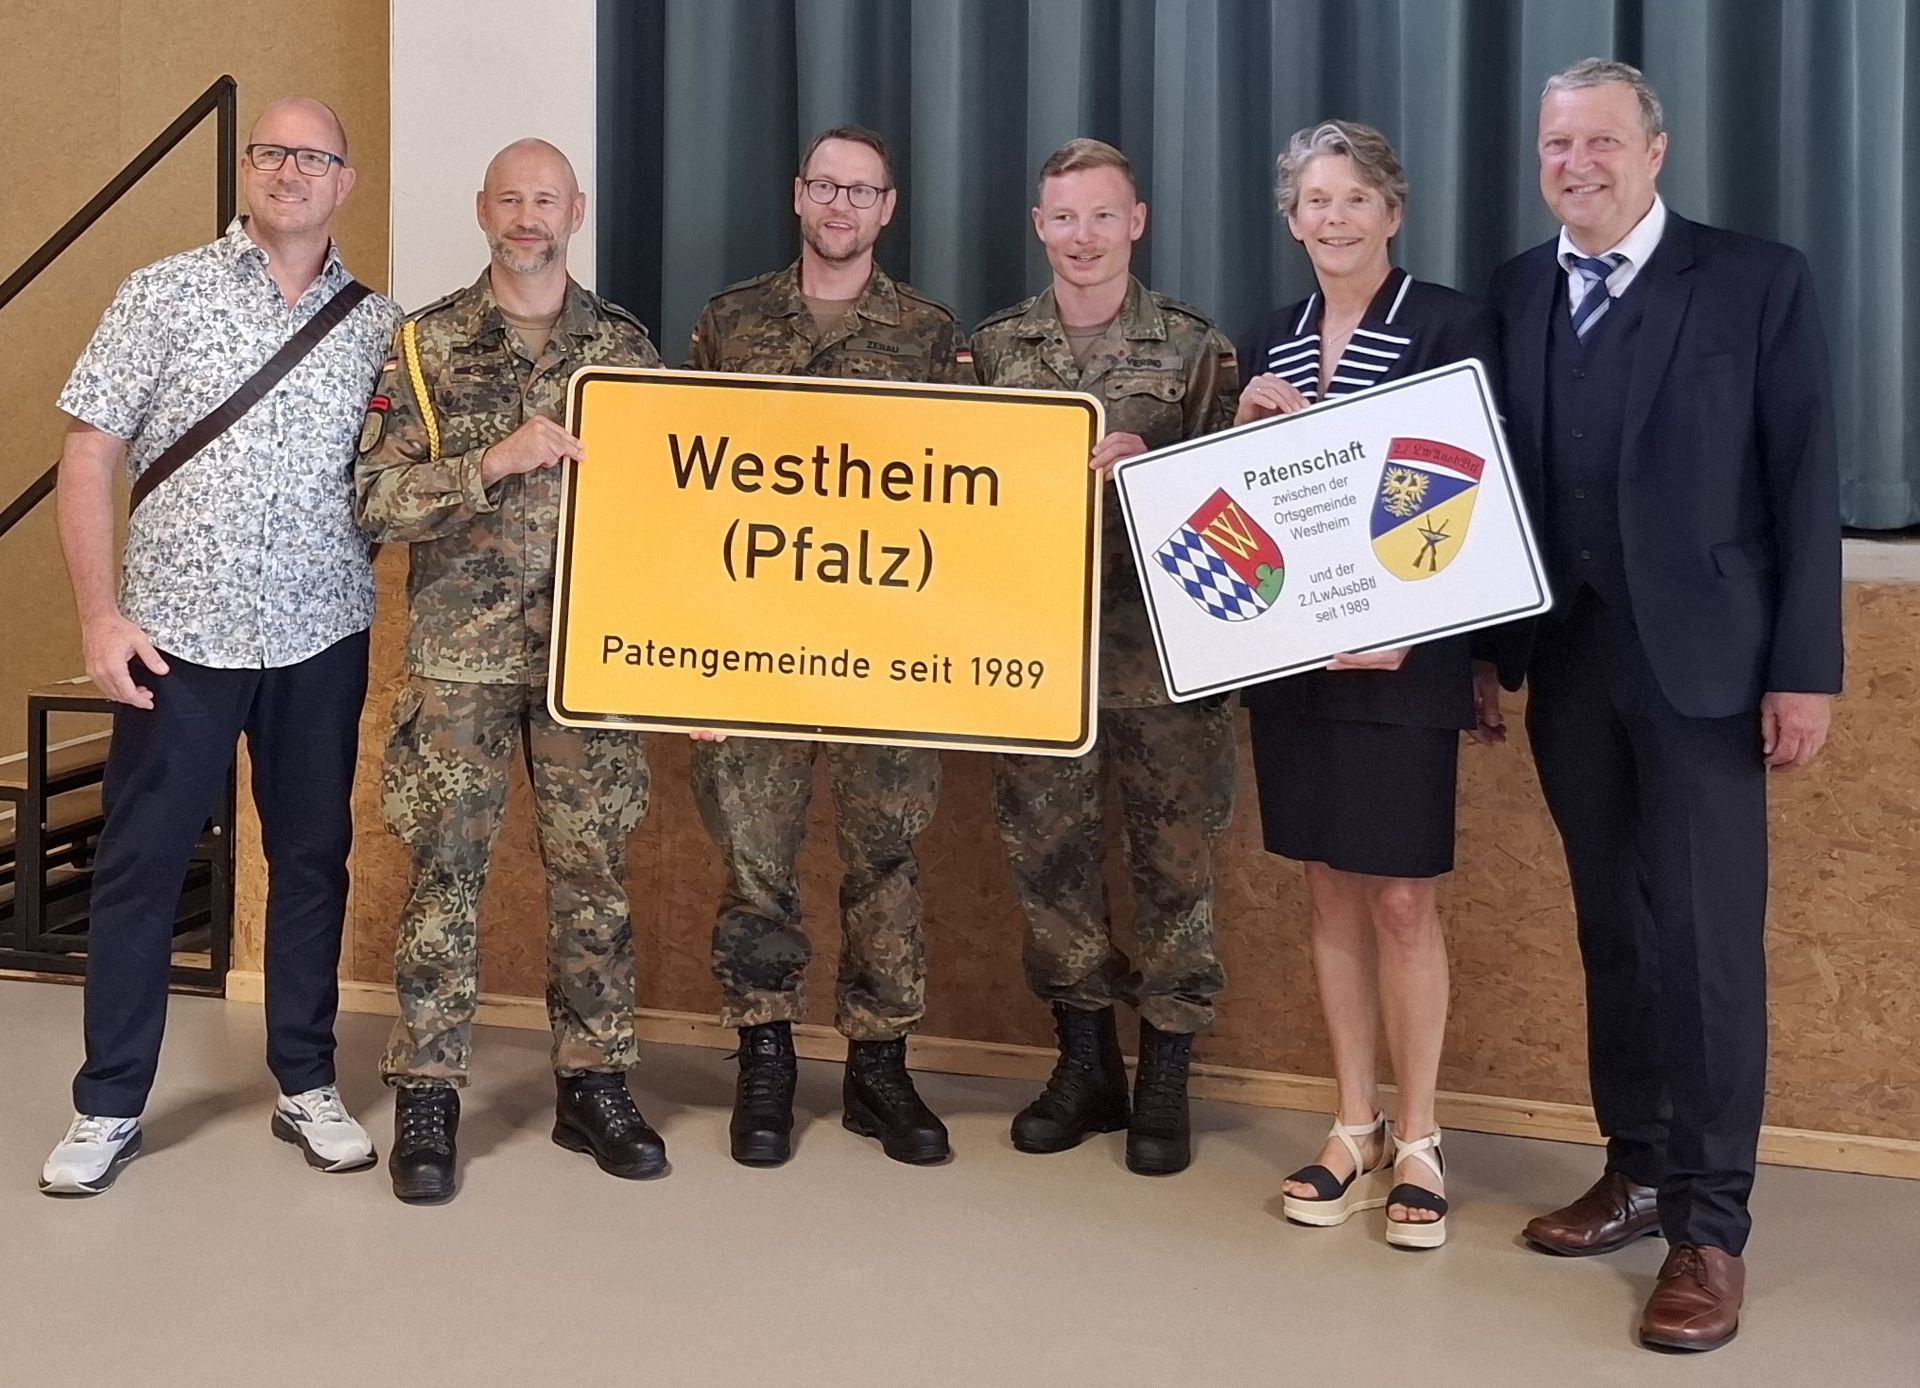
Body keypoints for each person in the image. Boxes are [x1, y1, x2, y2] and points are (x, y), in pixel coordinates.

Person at [1488, 59, 1841, 1349]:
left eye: (1600, 141)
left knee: (1705, 945)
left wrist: (1805, 667)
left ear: (1656, 151)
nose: (1575, 163)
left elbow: (1804, 480)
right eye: (1556, 144)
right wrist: (1480, 650)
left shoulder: (1755, 281)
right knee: (1614, 929)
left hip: (1710, 672)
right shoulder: (1517, 291)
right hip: (1571, 662)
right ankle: (1636, 1165)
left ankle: (1710, 1226)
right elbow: (1479, 484)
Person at [40, 97, 400, 1196]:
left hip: (319, 636)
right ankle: (108, 1102)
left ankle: (306, 1080)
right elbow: (88, 454)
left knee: (312, 859)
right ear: (249, 168)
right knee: (143, 865)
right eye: (272, 152)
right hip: (176, 639)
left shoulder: (381, 327)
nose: (291, 171)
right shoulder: (162, 292)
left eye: (314, 157)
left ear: (344, 183)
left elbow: (400, 484)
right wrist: (99, 617)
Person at [355, 139, 665, 1204]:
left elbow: (670, 520)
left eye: (546, 199)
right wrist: (492, 462)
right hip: (461, 661)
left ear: (576, 210)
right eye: (510, 199)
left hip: (591, 660)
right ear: (482, 209)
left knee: (594, 876)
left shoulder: (625, 348)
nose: (528, 217)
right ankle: (429, 1087)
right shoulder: (426, 343)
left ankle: (595, 1081)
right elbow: (373, 499)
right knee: (444, 877)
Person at [1235, 121, 1507, 1249]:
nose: (1335, 217)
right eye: (1315, 200)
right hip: (1297, 657)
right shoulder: (1270, 337)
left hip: (1409, 654)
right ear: (1292, 220)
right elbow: (1250, 508)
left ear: (1393, 213)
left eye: (1355, 198)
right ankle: (1353, 1123)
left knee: (1401, 897)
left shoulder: (1449, 324)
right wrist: (1243, 435)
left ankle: (1423, 1134)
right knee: (1327, 890)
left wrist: (1416, 625)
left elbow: (1472, 485)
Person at [684, 125, 973, 1168]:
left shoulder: (932, 336)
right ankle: (764, 1054)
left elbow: (963, 501)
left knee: (885, 858)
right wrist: (690, 656)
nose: (841, 205)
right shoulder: (728, 323)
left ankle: (878, 1064)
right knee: (754, 859)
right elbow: (689, 493)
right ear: (798, 196)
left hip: (885, 652)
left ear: (887, 208)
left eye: (861, 191)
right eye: (825, 186)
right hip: (753, 649)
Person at [971, 138, 1240, 1177]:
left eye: (1101, 216)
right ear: (1039, 226)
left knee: (1175, 866)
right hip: (1035, 661)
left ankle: (1166, 1072)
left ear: (1137, 222)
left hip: (1165, 664)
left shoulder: (1195, 348)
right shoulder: (993, 350)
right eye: (1063, 217)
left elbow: (1240, 506)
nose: (1082, 237)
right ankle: (1085, 1063)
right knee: (1048, 861)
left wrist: (1155, 465)